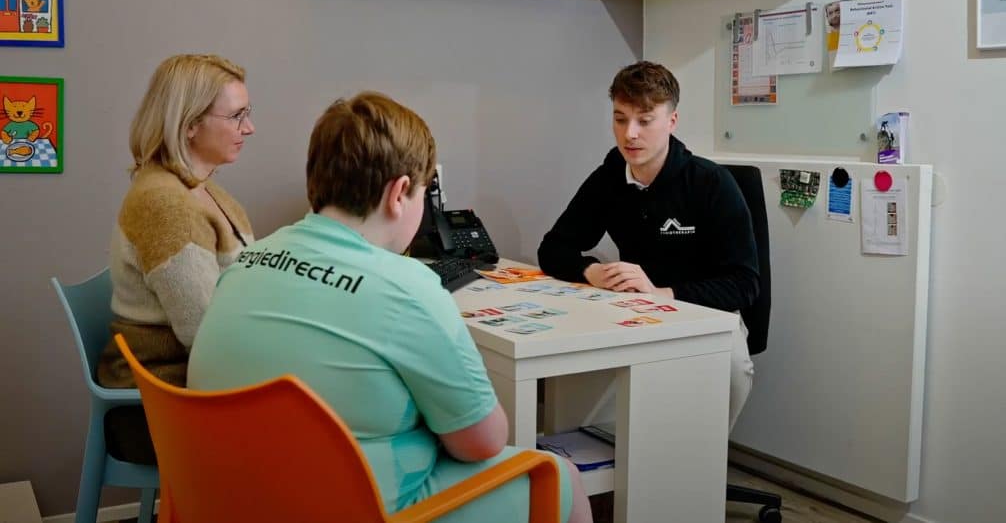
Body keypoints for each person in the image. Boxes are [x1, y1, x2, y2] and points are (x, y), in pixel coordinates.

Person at [187, 93, 592, 523]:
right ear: (400, 193)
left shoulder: (246, 261)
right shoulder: (408, 286)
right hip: (361, 510)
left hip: (226, 501)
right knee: (558, 475)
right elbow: (483, 442)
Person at [537, 60, 757, 432]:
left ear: (671, 121)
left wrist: (661, 292)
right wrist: (593, 271)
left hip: (705, 312)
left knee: (734, 369)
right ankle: (603, 469)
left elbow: (745, 284)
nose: (630, 134)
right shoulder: (610, 177)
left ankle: (695, 467)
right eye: (620, 119)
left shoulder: (711, 183)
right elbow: (553, 248)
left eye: (645, 119)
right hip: (634, 310)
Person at [96, 53, 255, 464]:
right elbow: (207, 335)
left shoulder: (205, 191)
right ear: (189, 125)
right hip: (156, 406)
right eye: (237, 116)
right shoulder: (166, 206)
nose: (249, 128)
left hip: (185, 388)